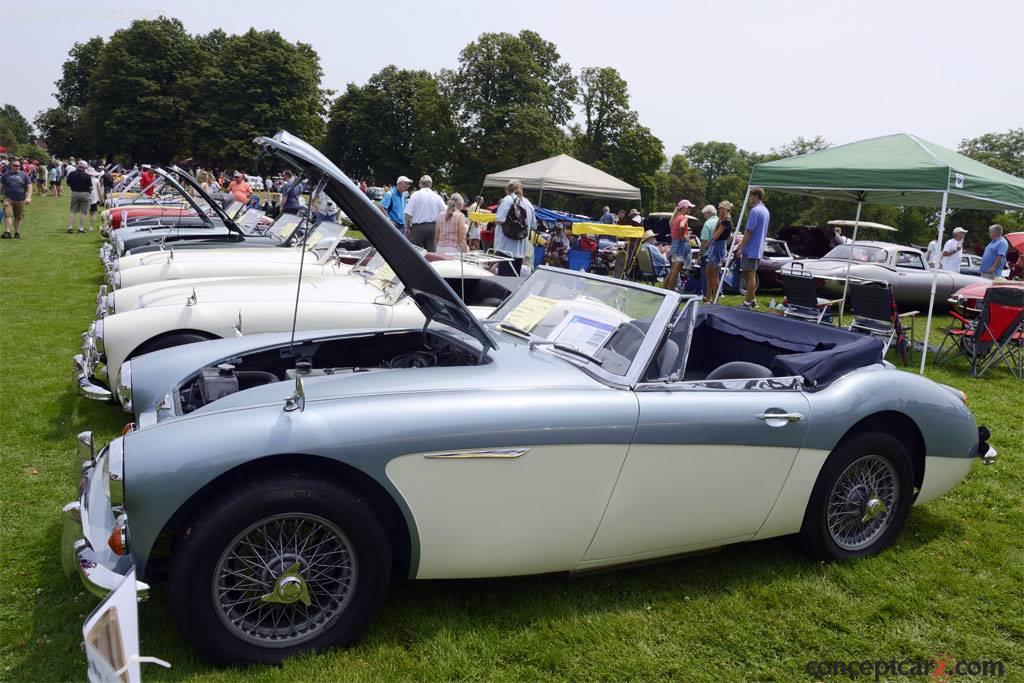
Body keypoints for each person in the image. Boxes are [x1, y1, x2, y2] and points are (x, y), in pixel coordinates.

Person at [494, 179, 536, 276]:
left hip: (505, 248)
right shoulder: (529, 204)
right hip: (520, 250)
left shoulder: (508, 199)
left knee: (503, 282)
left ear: (508, 190)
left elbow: (499, 219)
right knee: (513, 282)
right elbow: (533, 225)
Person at [737, 187, 769, 308]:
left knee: (749, 276)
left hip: (751, 249)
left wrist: (741, 246)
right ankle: (753, 299)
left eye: (751, 196)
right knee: (748, 274)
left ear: (756, 196)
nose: (750, 199)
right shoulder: (765, 211)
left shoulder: (755, 211)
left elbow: (749, 231)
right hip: (757, 248)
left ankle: (747, 303)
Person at [404, 175, 446, 250]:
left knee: (415, 252)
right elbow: (445, 212)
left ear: (420, 184)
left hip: (417, 228)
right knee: (431, 251)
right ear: (430, 185)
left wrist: (407, 227)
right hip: (432, 227)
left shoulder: (415, 195)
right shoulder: (437, 196)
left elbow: (408, 214)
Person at [705, 200, 734, 302]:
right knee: (709, 272)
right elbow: (730, 237)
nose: (718, 210)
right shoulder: (723, 220)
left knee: (714, 274)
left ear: (724, 209)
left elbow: (715, 236)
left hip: (718, 248)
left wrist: (713, 239)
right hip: (717, 247)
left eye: (720, 208)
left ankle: (714, 298)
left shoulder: (726, 222)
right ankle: (708, 296)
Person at [665, 199, 694, 291]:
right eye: (688, 207)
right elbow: (682, 226)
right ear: (683, 208)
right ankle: (670, 291)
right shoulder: (683, 218)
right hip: (681, 245)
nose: (689, 209)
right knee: (675, 271)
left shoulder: (674, 219)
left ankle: (665, 289)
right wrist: (684, 236)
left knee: (672, 270)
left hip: (674, 244)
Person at [1, 159, 32, 239]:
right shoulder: (6, 175)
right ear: (11, 166)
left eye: (19, 165)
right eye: (15, 165)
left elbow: (29, 186)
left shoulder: (24, 175)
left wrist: (28, 197)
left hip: (20, 200)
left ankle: (17, 233)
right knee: (7, 214)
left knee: (18, 217)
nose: (17, 167)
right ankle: (7, 232)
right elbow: (1, 186)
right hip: (8, 199)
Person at [66, 159, 93, 233]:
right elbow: (90, 187)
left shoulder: (71, 173)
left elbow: (68, 183)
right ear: (85, 167)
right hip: (85, 193)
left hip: (75, 192)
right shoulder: (87, 176)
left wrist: (73, 187)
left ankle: (70, 227)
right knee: (83, 212)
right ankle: (81, 228)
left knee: (72, 211)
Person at [87, 166, 104, 231]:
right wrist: (102, 199)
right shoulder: (96, 180)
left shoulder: (86, 179)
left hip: (86, 197)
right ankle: (91, 226)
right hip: (94, 198)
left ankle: (81, 226)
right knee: (92, 213)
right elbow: (99, 190)